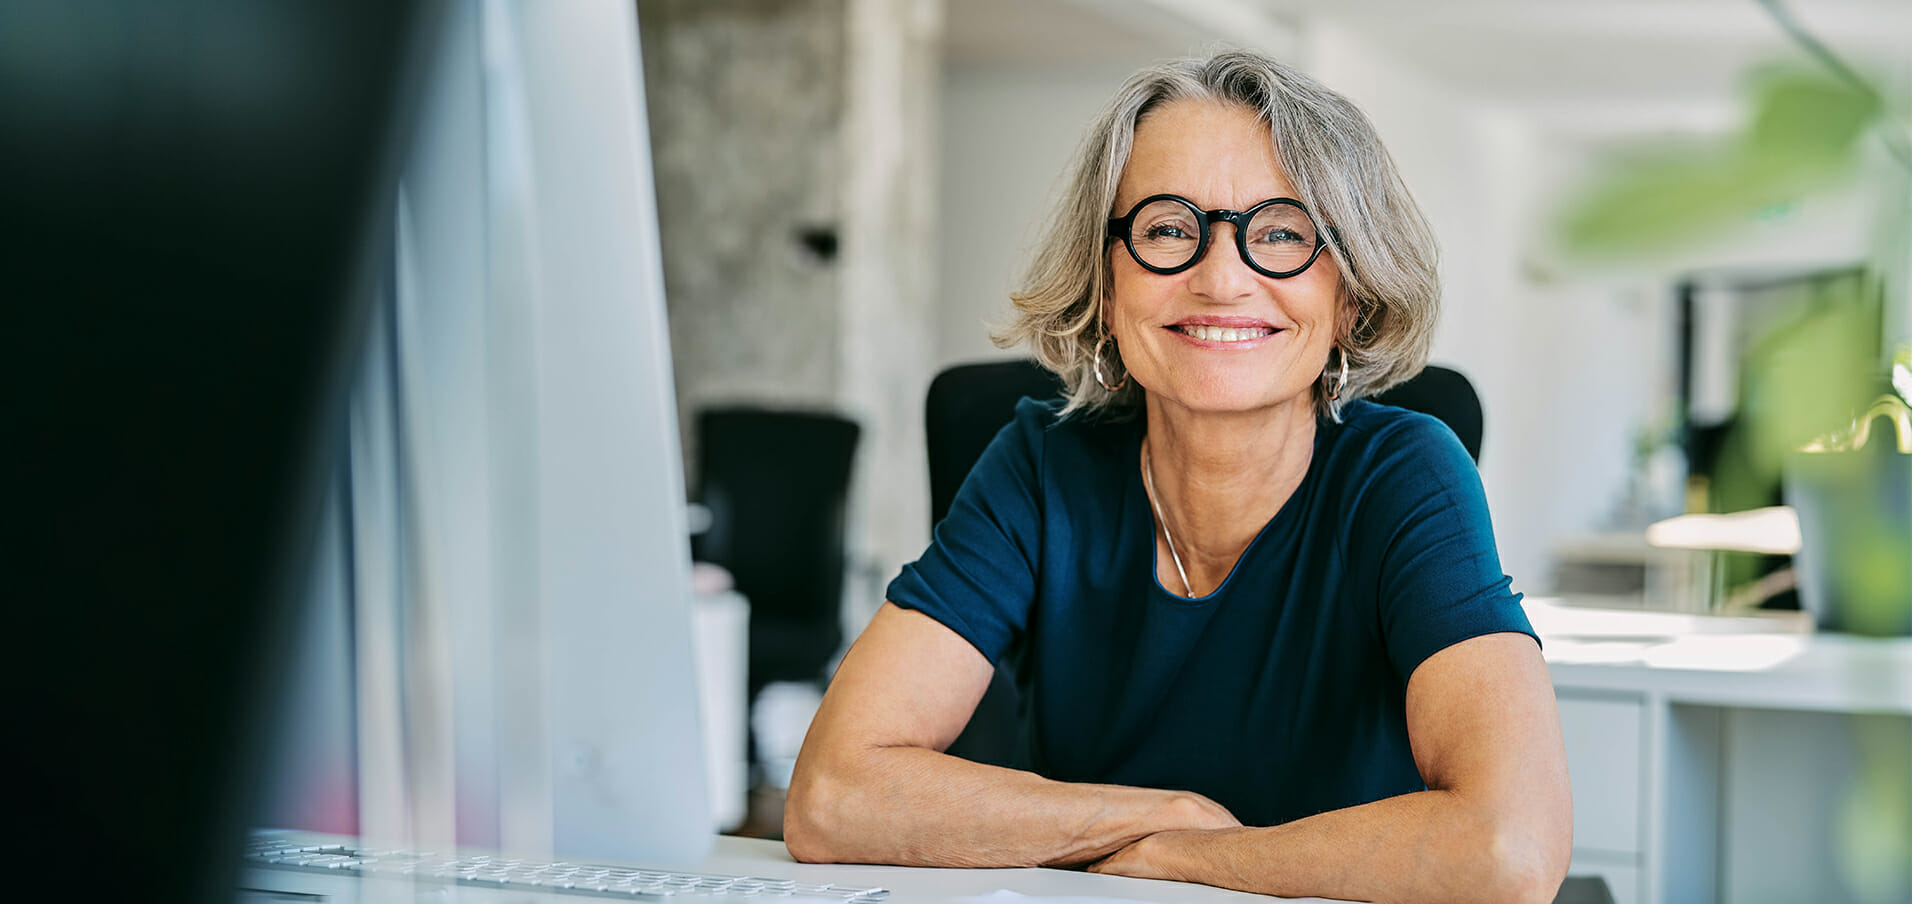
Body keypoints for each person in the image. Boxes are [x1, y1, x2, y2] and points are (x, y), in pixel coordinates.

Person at [784, 49, 1572, 904]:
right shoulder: (1041, 463)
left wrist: (1190, 861)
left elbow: (1508, 848)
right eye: (1166, 228)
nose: (1222, 278)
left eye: (1281, 232)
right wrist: (1162, 815)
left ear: (1349, 293)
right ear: (1106, 281)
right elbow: (832, 796)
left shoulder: (1406, 474)